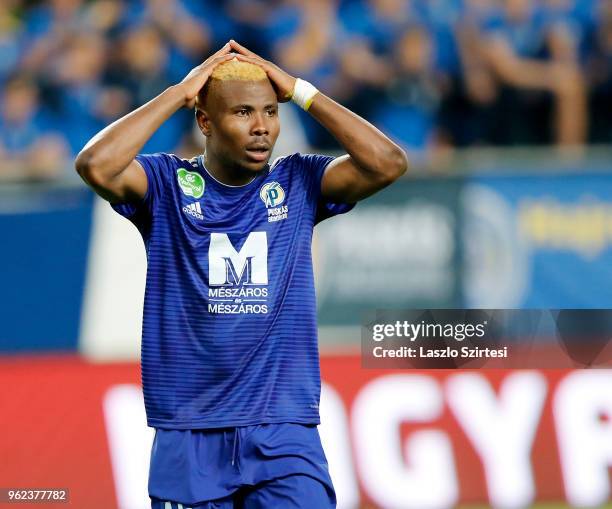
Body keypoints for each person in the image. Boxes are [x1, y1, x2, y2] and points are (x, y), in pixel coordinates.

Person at [75, 39, 407, 509]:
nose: (261, 128)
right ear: (205, 122)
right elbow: (95, 164)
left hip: (283, 432)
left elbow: (388, 162)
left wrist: (302, 91)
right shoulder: (167, 185)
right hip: (189, 432)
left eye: (271, 112)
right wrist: (178, 92)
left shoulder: (298, 182)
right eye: (243, 113)